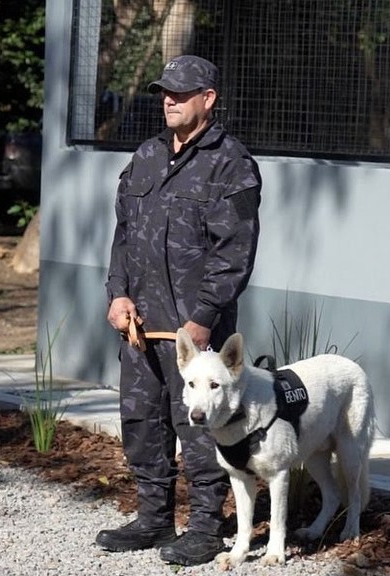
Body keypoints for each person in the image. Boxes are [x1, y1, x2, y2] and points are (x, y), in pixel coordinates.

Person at [97, 55, 262, 566]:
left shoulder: (231, 165)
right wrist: (117, 293)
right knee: (141, 419)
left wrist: (205, 315)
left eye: (179, 92)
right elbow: (124, 236)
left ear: (207, 99)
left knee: (198, 424)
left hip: (195, 331)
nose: (167, 100)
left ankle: (207, 527)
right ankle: (153, 518)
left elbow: (234, 252)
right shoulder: (146, 156)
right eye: (163, 92)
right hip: (139, 327)